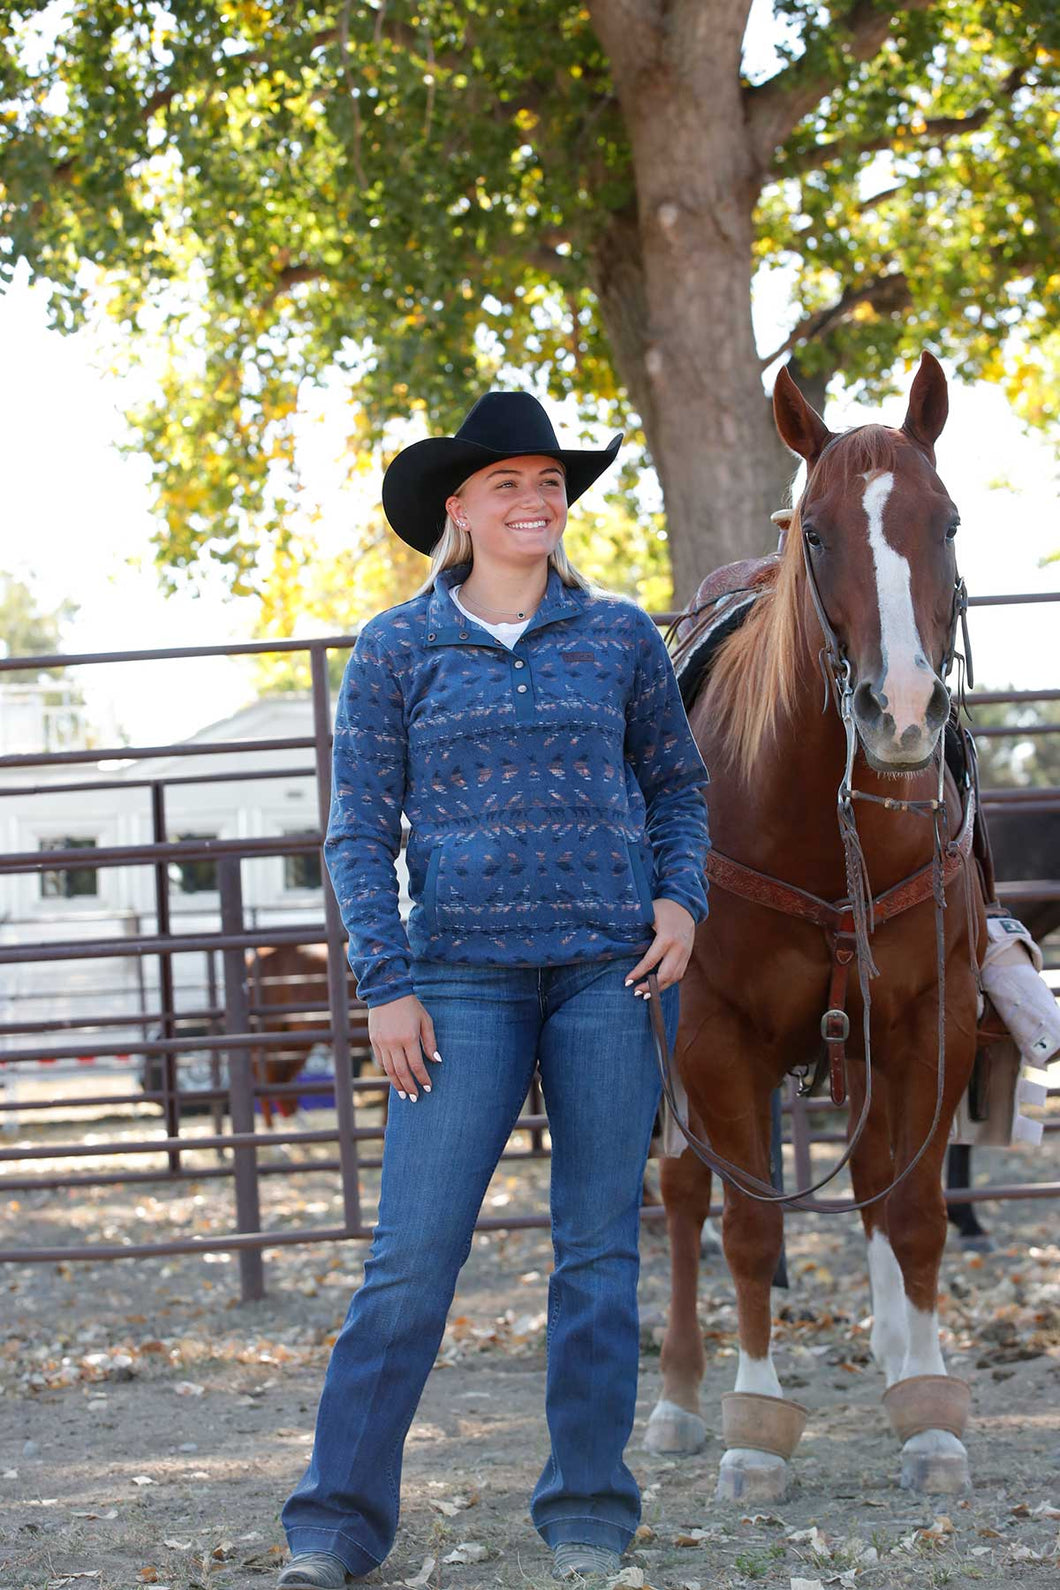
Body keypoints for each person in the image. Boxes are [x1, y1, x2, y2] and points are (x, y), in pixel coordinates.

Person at [279, 391, 711, 1587]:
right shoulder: (395, 648)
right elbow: (357, 832)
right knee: (412, 1258)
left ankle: (587, 1516)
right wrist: (386, 982)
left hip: (609, 976)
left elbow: (678, 789)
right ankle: (333, 1525)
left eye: (550, 481)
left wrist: (681, 901)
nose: (536, 500)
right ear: (458, 510)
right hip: (456, 982)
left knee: (597, 1257)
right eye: (508, 483)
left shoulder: (619, 638)